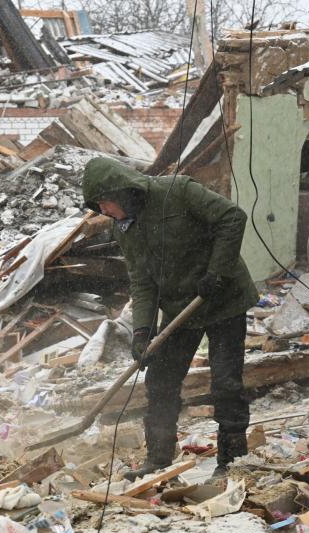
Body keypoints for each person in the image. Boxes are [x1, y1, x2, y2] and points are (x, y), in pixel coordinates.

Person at [81, 156, 259, 480]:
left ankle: (231, 460)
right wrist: (142, 332)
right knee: (160, 380)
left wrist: (217, 271)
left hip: (224, 298)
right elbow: (142, 281)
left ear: (122, 192)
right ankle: (159, 459)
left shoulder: (177, 191)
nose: (104, 211)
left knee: (225, 383)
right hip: (181, 308)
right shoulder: (124, 229)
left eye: (105, 203)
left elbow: (232, 218)